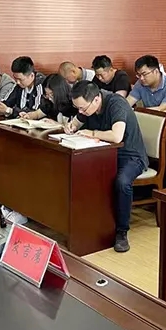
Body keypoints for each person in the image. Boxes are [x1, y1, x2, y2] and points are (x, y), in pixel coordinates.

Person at [67, 82, 147, 253]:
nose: (80, 112)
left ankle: (121, 232)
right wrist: (71, 126)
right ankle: (89, 223)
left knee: (122, 182)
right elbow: (76, 123)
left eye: (82, 108)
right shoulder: (88, 106)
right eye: (77, 108)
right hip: (104, 155)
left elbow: (117, 136)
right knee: (78, 172)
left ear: (96, 99)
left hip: (130, 155)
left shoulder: (116, 103)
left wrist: (92, 133)